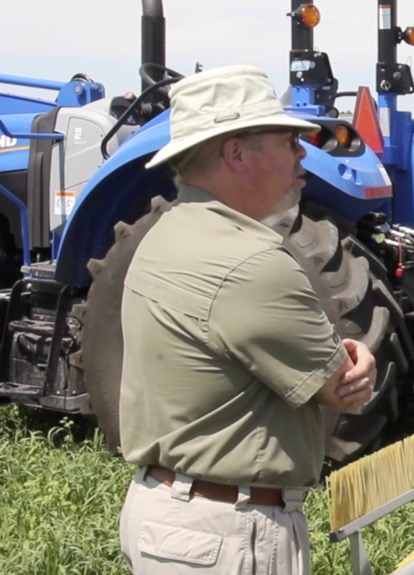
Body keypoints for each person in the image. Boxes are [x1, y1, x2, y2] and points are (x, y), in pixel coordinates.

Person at [117, 65, 377, 574]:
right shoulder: (252, 263)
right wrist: (357, 360)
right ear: (235, 151)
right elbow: (338, 388)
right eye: (288, 140)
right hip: (229, 532)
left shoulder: (164, 236)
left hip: (168, 517)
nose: (304, 153)